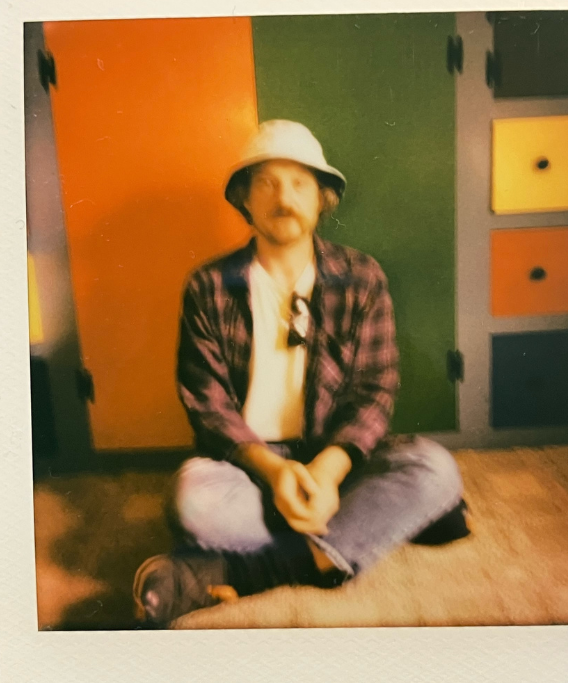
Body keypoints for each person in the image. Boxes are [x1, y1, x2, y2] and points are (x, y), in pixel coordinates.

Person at [133, 120, 470, 628]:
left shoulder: (362, 277)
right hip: (251, 465)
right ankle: (371, 528)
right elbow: (207, 402)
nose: (283, 197)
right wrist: (275, 473)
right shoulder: (209, 285)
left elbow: (375, 390)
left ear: (322, 199)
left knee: (434, 468)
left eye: (299, 183)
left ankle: (246, 572)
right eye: (266, 183)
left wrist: (328, 474)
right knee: (191, 500)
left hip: (337, 457)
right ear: (245, 199)